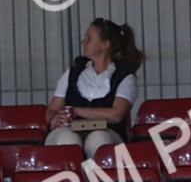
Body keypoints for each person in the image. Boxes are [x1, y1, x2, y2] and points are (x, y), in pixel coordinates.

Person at [45, 18, 145, 159]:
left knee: (98, 139)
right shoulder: (72, 73)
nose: (83, 42)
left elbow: (116, 115)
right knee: (68, 139)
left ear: (105, 44)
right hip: (68, 130)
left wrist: (75, 110)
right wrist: (54, 118)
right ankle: (70, 179)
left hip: (107, 131)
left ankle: (98, 179)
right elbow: (51, 111)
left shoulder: (125, 77)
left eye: (88, 38)